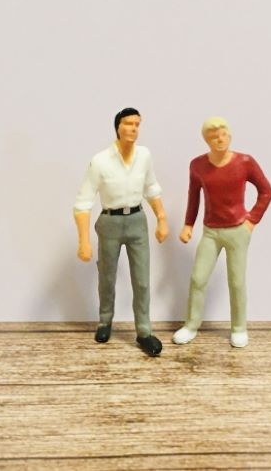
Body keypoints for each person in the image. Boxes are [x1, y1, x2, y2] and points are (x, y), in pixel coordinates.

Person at [74, 108, 169, 356]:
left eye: (137, 124)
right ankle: (105, 321)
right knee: (107, 276)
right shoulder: (100, 161)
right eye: (128, 123)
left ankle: (144, 331)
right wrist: (84, 240)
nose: (133, 128)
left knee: (142, 279)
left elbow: (151, 188)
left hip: (137, 221)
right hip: (110, 222)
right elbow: (83, 203)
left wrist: (161, 218)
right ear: (118, 127)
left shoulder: (144, 156)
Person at [174, 116, 271, 348]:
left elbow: (266, 192)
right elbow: (194, 196)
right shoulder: (197, 165)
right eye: (213, 137)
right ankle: (191, 325)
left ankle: (239, 327)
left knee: (236, 281)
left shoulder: (245, 162)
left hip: (238, 230)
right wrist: (188, 224)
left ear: (229, 135)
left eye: (223, 134)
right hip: (211, 231)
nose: (220, 139)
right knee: (198, 278)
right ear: (206, 140)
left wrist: (251, 221)